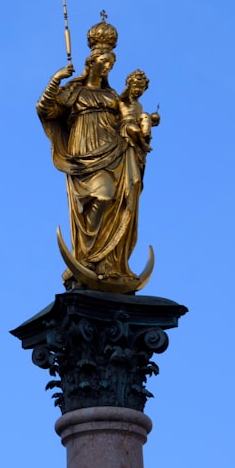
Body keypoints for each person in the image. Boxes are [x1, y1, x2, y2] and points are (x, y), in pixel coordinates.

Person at [36, 18, 148, 288]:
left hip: (114, 151)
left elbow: (128, 120)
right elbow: (45, 109)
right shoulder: (74, 91)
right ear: (91, 62)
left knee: (116, 200)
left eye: (112, 62)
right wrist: (56, 79)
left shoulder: (113, 98)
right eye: (104, 61)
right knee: (100, 195)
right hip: (84, 153)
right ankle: (85, 256)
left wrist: (140, 127)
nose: (109, 66)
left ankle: (108, 262)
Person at [118, 69, 159, 154]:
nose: (138, 90)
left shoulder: (139, 105)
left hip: (136, 124)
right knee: (135, 130)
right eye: (135, 86)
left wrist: (152, 122)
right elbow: (123, 96)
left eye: (141, 87)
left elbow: (141, 119)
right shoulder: (125, 99)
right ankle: (143, 144)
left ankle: (145, 137)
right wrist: (128, 86)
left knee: (145, 115)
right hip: (126, 125)